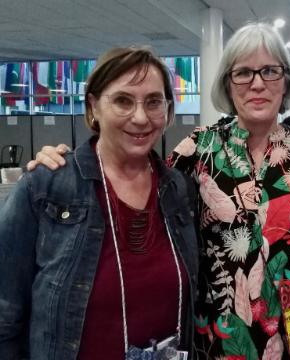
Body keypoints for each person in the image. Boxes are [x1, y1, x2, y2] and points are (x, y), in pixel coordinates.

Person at [26, 23, 290, 360]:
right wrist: (64, 162)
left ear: (286, 80)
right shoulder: (197, 150)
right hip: (219, 339)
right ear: (228, 85)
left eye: (270, 71)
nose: (257, 83)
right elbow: (136, 180)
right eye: (243, 72)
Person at [0, 47, 200, 359]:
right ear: (94, 106)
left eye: (153, 102)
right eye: (122, 101)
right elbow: (5, 313)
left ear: (168, 109)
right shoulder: (45, 186)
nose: (140, 117)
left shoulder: (178, 189)